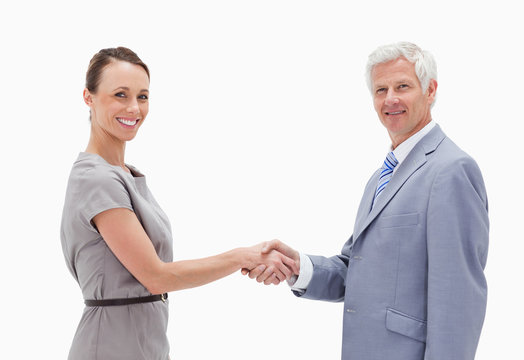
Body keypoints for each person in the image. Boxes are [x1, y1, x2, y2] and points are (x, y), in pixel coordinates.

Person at [245, 42, 489, 360]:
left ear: (430, 90)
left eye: (403, 86)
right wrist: (296, 267)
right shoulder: (381, 177)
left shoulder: (452, 170)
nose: (390, 99)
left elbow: (459, 300)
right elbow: (356, 271)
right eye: (380, 89)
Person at [60, 47, 298, 360]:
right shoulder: (98, 180)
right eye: (120, 94)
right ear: (88, 97)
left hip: (146, 344)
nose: (134, 108)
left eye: (142, 96)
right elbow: (156, 276)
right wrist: (241, 256)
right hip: (110, 346)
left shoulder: (125, 175)